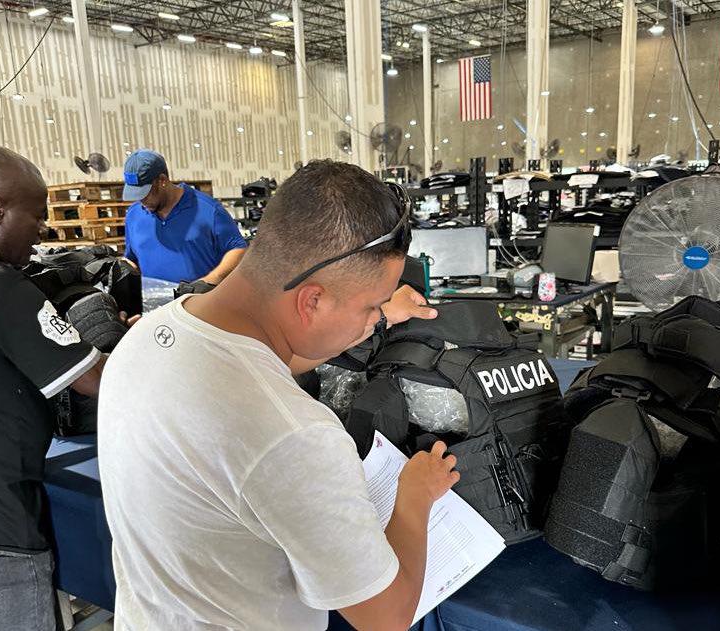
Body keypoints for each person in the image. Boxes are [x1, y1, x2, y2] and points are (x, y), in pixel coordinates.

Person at [99, 160, 460, 630]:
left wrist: (378, 309)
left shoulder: (152, 334)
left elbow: (268, 357)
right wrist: (415, 495)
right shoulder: (295, 434)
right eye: (370, 306)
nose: (374, 319)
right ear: (311, 300)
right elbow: (384, 616)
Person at [0, 147, 107, 630]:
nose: (42, 233)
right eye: (35, 217)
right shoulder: (1, 288)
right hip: (1, 534)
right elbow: (95, 380)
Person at [122, 149, 247, 284]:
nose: (141, 200)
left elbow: (238, 249)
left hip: (200, 301)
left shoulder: (209, 210)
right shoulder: (133, 215)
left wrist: (211, 280)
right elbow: (131, 259)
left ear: (162, 180)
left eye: (144, 193)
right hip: (154, 303)